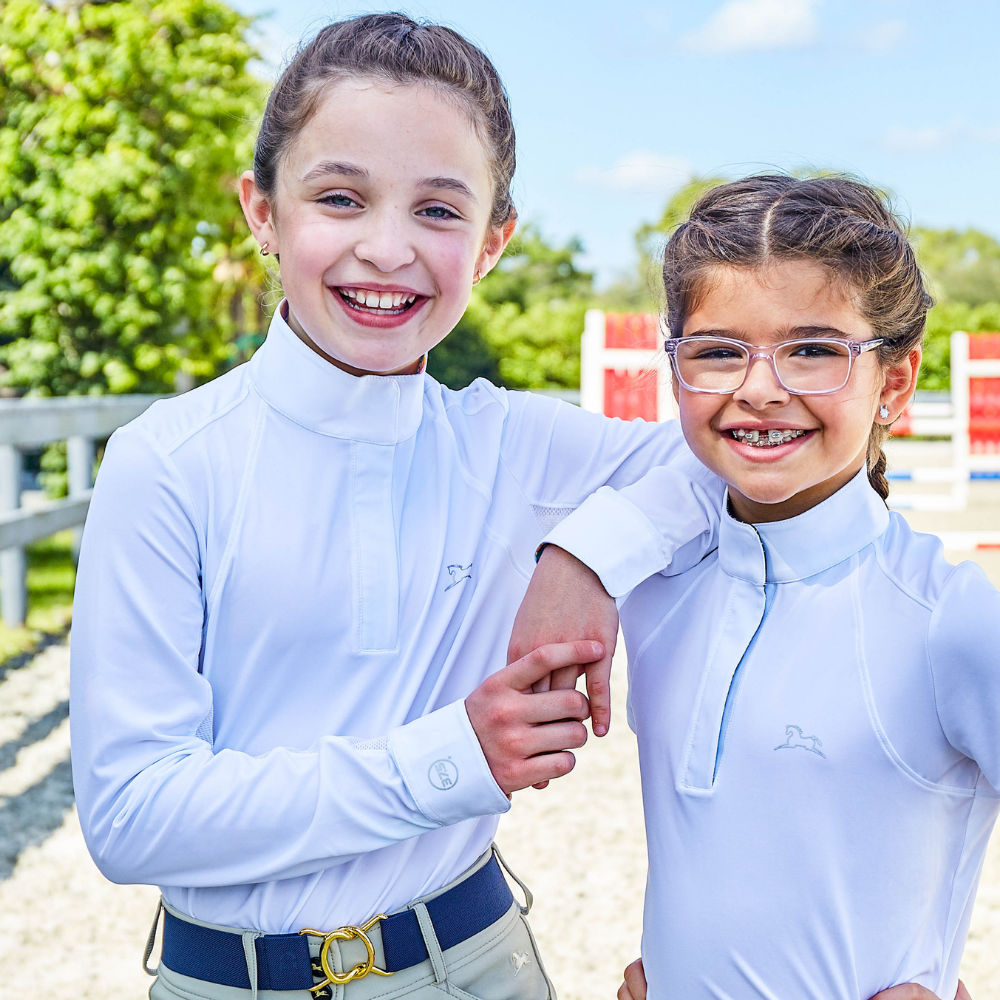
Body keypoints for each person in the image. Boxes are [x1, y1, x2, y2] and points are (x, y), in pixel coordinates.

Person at [69, 14, 723, 1000]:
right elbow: (131, 814)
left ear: (494, 241)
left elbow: (740, 463)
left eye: (438, 211)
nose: (386, 248)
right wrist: (450, 757)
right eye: (339, 197)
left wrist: (584, 555)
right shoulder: (166, 465)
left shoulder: (520, 445)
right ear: (262, 212)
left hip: (481, 968)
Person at [512, 176, 991, 999]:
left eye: (814, 350)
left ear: (898, 384)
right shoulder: (658, 587)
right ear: (675, 369)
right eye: (719, 350)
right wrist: (580, 556)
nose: (760, 388)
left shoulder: (947, 618)